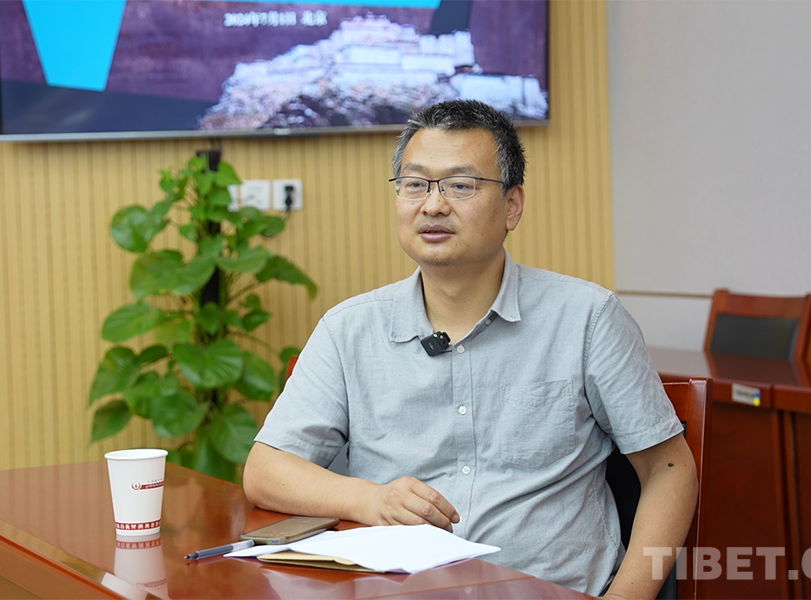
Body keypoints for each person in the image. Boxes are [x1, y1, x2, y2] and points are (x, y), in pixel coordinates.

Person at [244, 99, 697, 598]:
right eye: (414, 184)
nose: (432, 205)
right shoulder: (348, 329)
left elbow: (669, 470)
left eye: (460, 185)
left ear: (512, 206)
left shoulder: (587, 319)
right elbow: (265, 471)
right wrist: (369, 499)